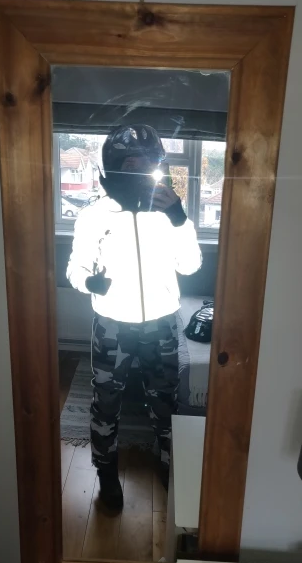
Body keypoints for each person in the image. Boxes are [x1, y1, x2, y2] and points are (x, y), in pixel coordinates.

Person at [67, 124, 202, 511]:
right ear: (112, 167)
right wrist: (88, 281)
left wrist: (180, 219)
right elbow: (75, 268)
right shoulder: (93, 216)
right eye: (130, 164)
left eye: (147, 164)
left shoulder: (168, 213)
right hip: (112, 326)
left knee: (165, 405)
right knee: (106, 405)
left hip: (162, 325)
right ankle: (107, 474)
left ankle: (169, 465)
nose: (139, 171)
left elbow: (190, 266)